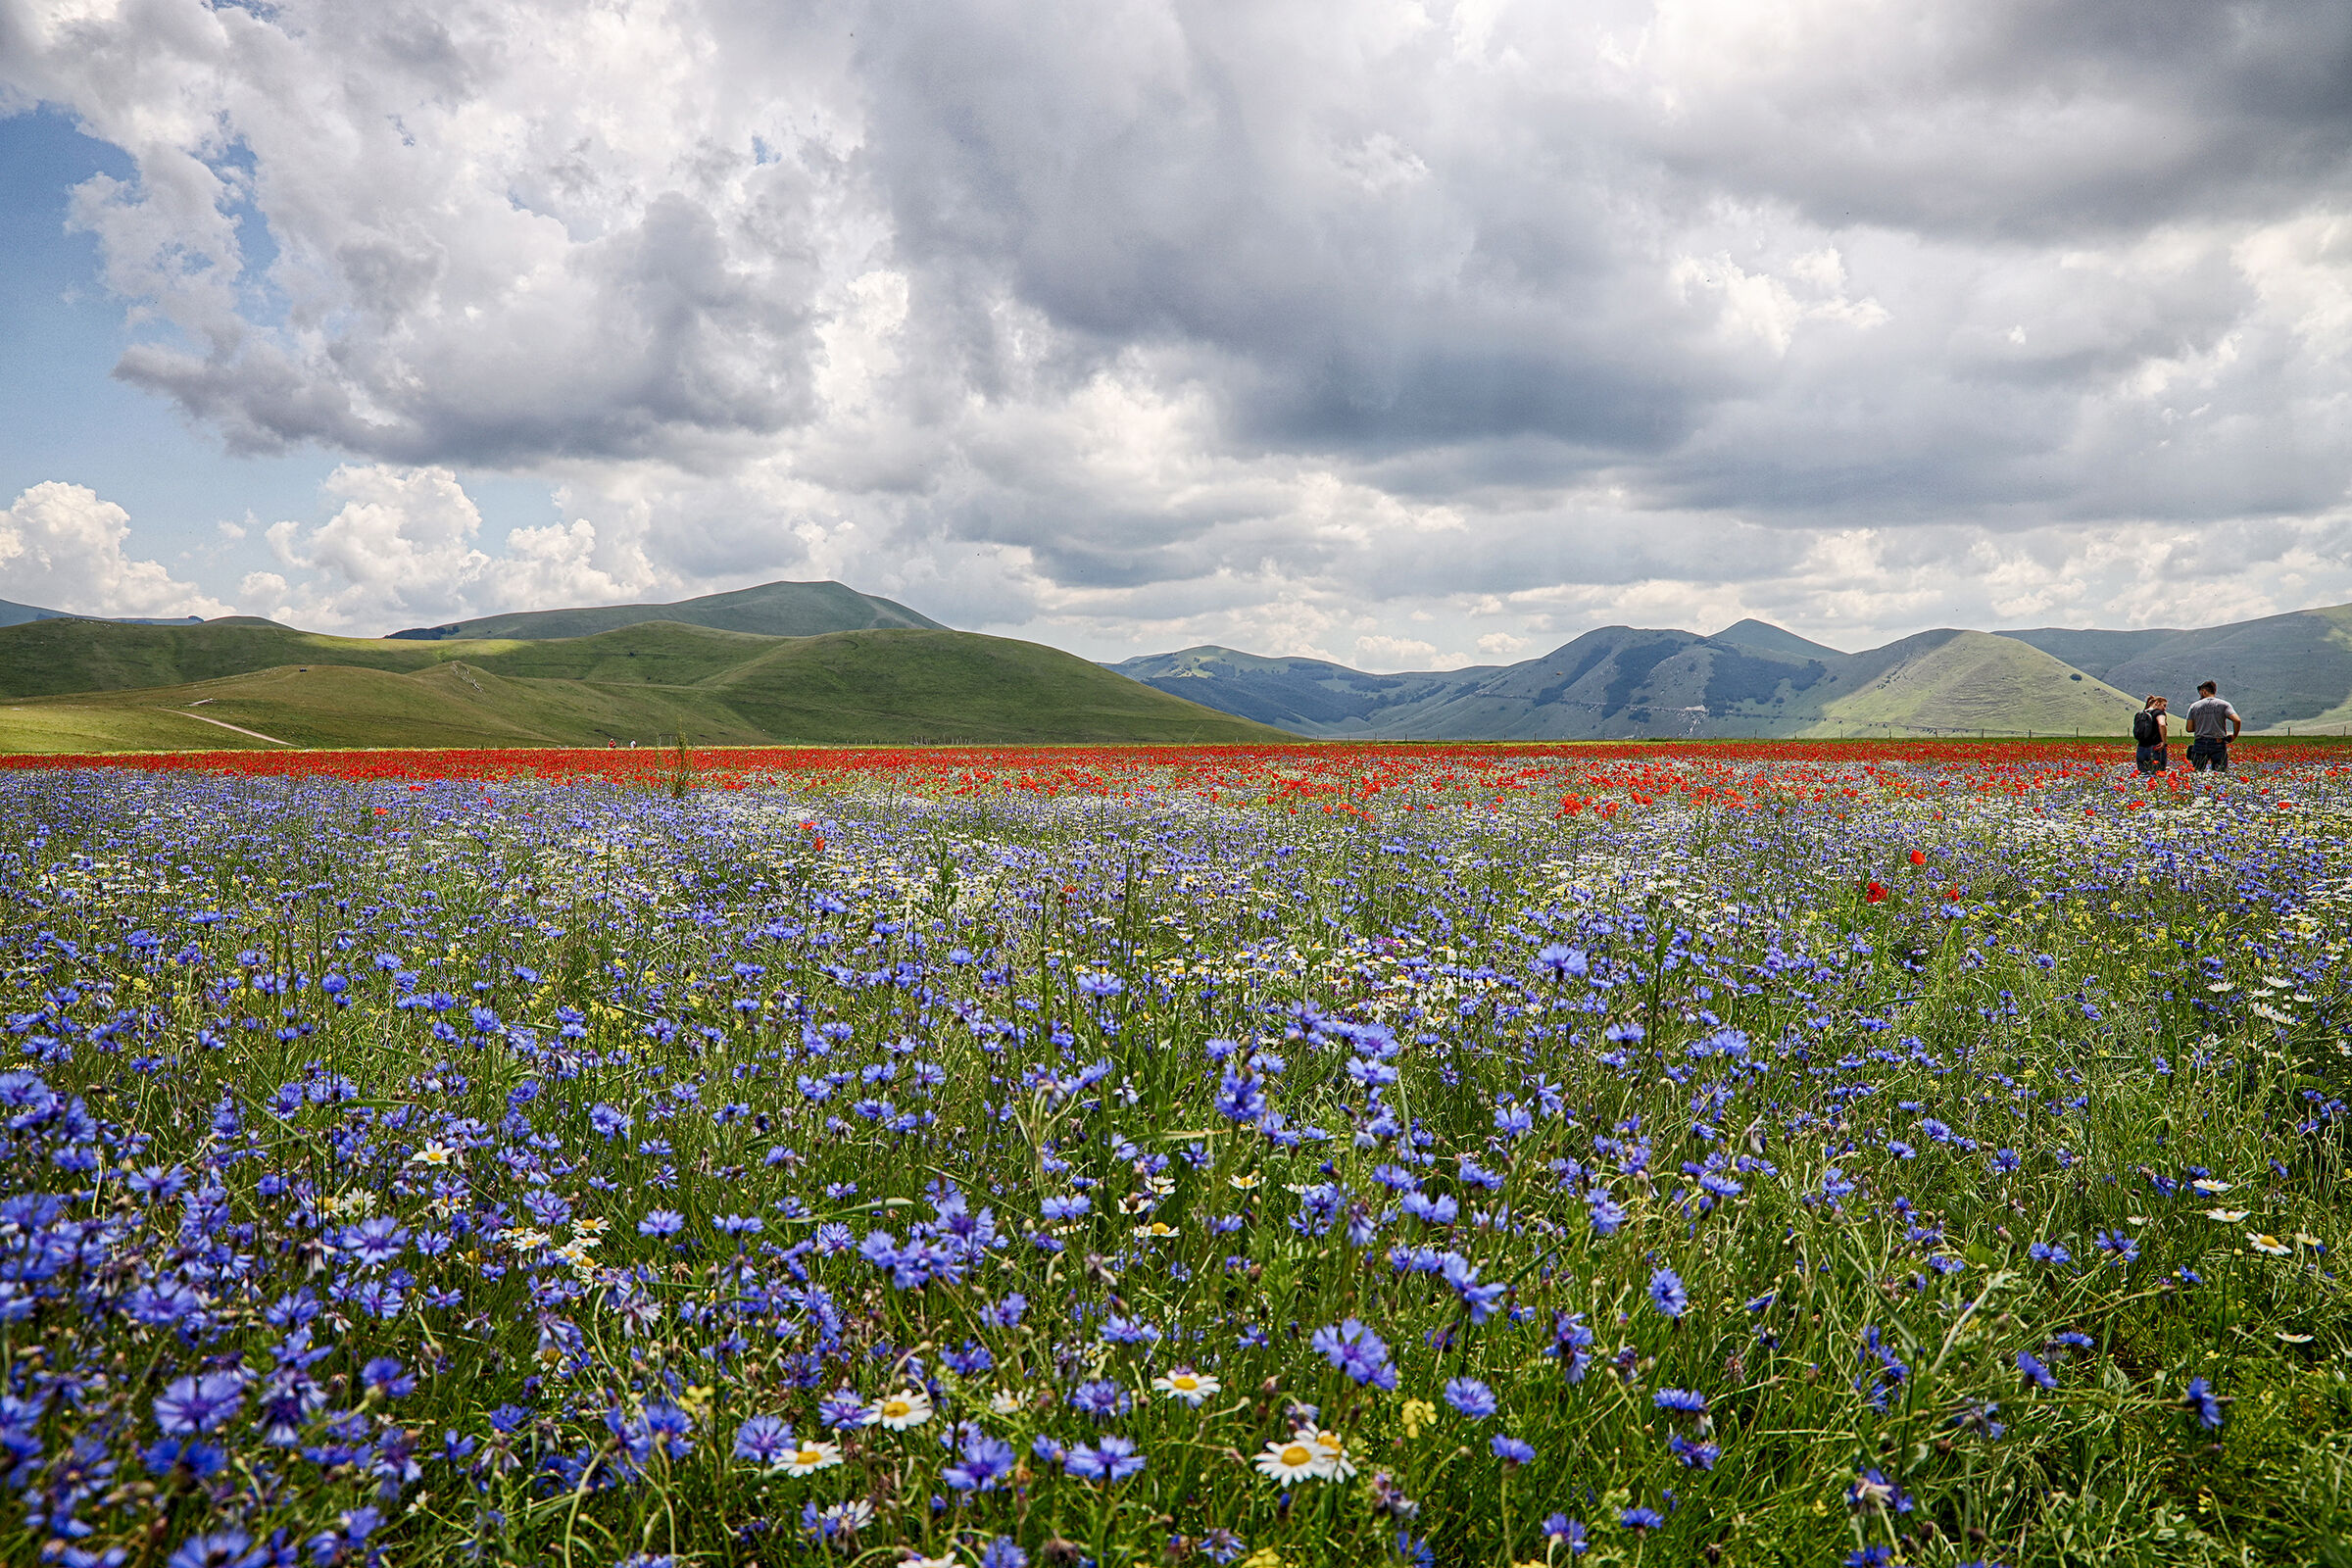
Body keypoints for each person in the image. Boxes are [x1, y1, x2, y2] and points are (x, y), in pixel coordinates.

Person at [2184, 680, 2241, 772]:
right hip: (2218, 743)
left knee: (2197, 772)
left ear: (2204, 691)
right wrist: (2234, 735)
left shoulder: (2194, 706)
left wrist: (2201, 724)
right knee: (2220, 773)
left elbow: (2189, 729)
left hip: (2200, 743)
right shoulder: (2224, 704)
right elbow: (2237, 720)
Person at [2132, 694, 2169, 774]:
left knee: (2143, 776)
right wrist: (2163, 742)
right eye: (2164, 705)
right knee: (2158, 774)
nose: (2164, 709)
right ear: (2157, 703)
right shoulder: (2158, 713)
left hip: (2141, 748)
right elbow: (2162, 724)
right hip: (2155, 748)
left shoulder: (2141, 714)